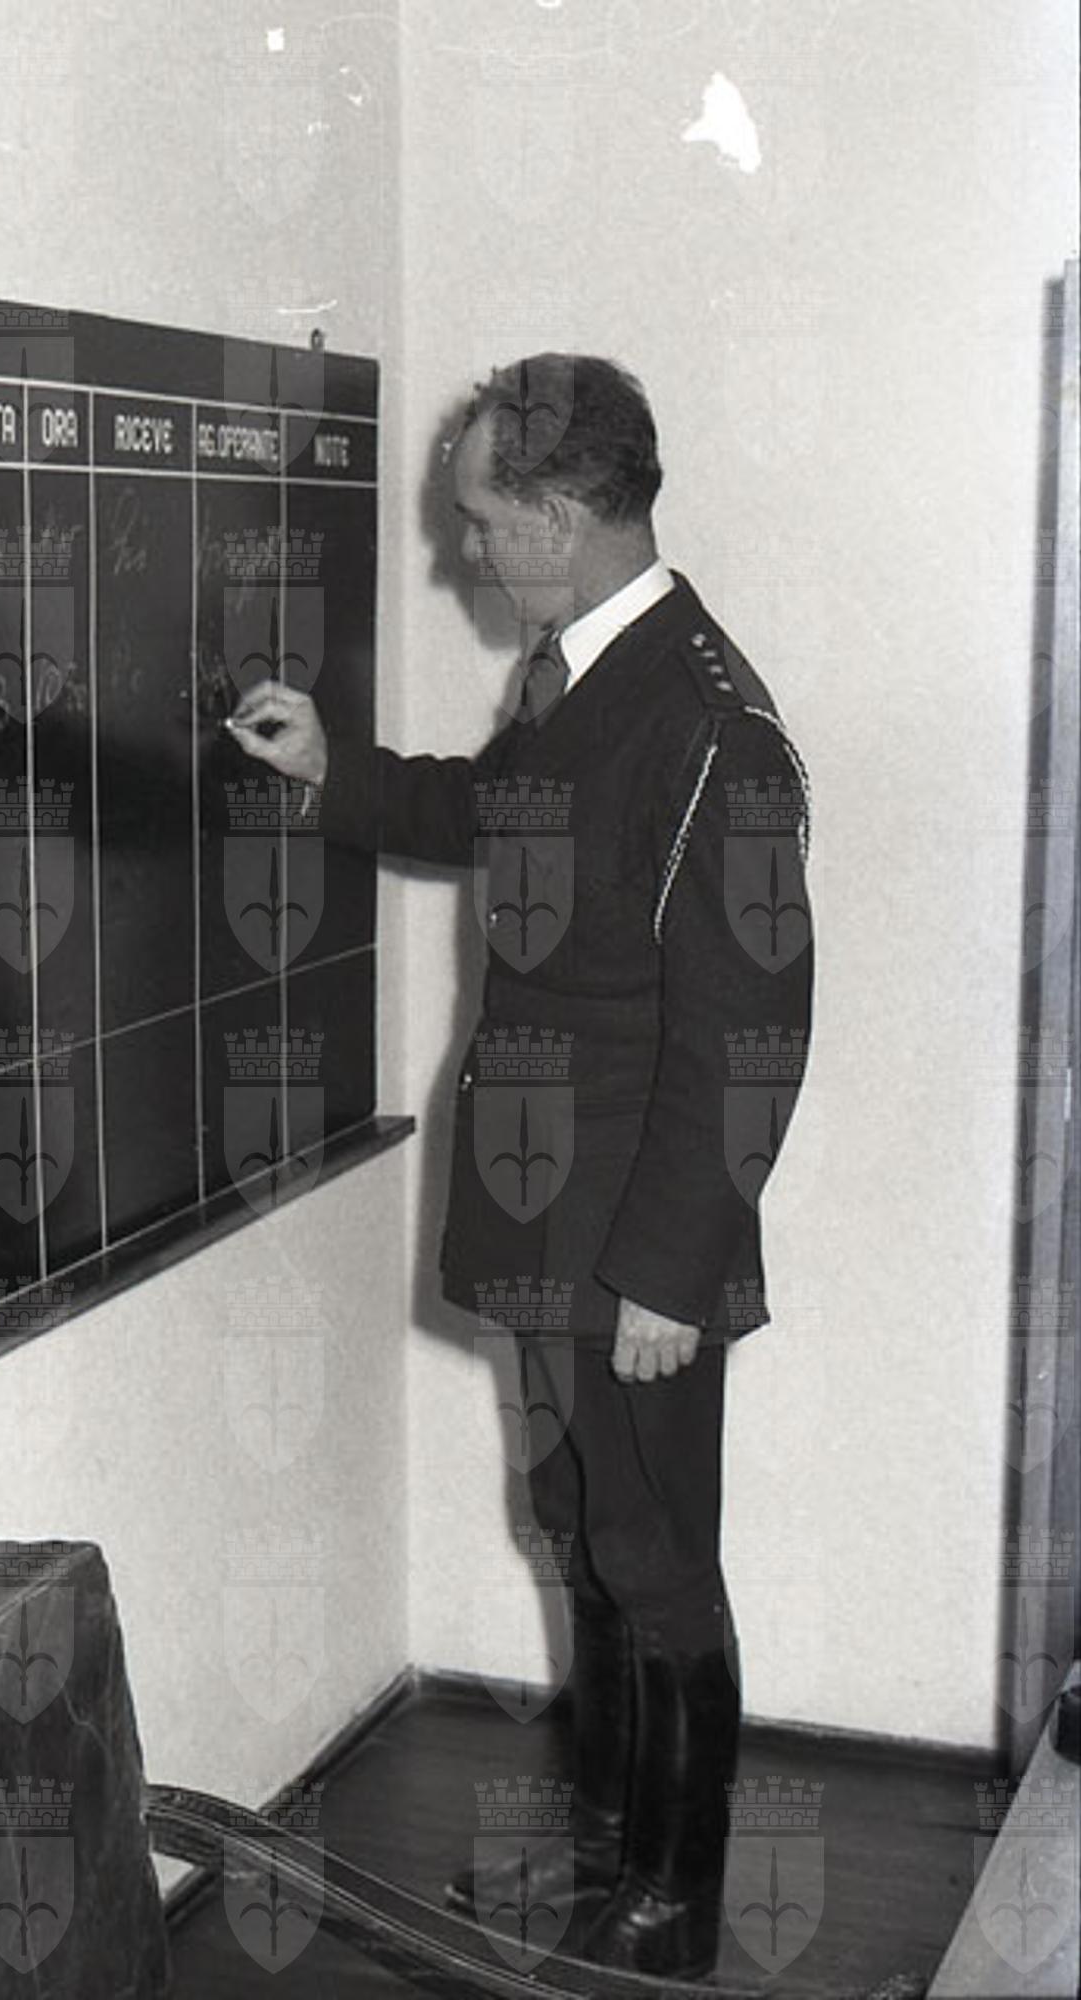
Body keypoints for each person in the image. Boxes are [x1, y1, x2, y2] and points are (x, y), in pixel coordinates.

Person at [228, 353, 814, 1978]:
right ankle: (609, 1848)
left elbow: (754, 1033)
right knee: (578, 1521)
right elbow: (498, 812)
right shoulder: (578, 678)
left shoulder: (712, 730)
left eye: (485, 522)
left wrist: (670, 1275)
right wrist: (335, 767)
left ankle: (671, 1913)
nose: (467, 551)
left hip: (631, 1241)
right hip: (552, 1213)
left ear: (561, 517)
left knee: (656, 1556)